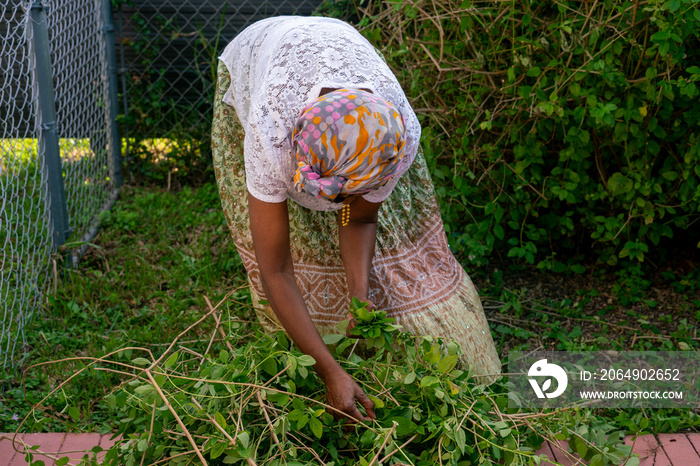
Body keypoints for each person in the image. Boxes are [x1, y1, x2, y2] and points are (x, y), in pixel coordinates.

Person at [212, 15, 501, 425]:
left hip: (339, 47)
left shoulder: (395, 134)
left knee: (369, 252)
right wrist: (330, 372)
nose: (342, 203)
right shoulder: (270, 132)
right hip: (260, 50)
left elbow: (359, 219)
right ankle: (321, 358)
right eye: (339, 193)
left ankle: (336, 336)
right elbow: (274, 269)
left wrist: (359, 297)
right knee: (281, 243)